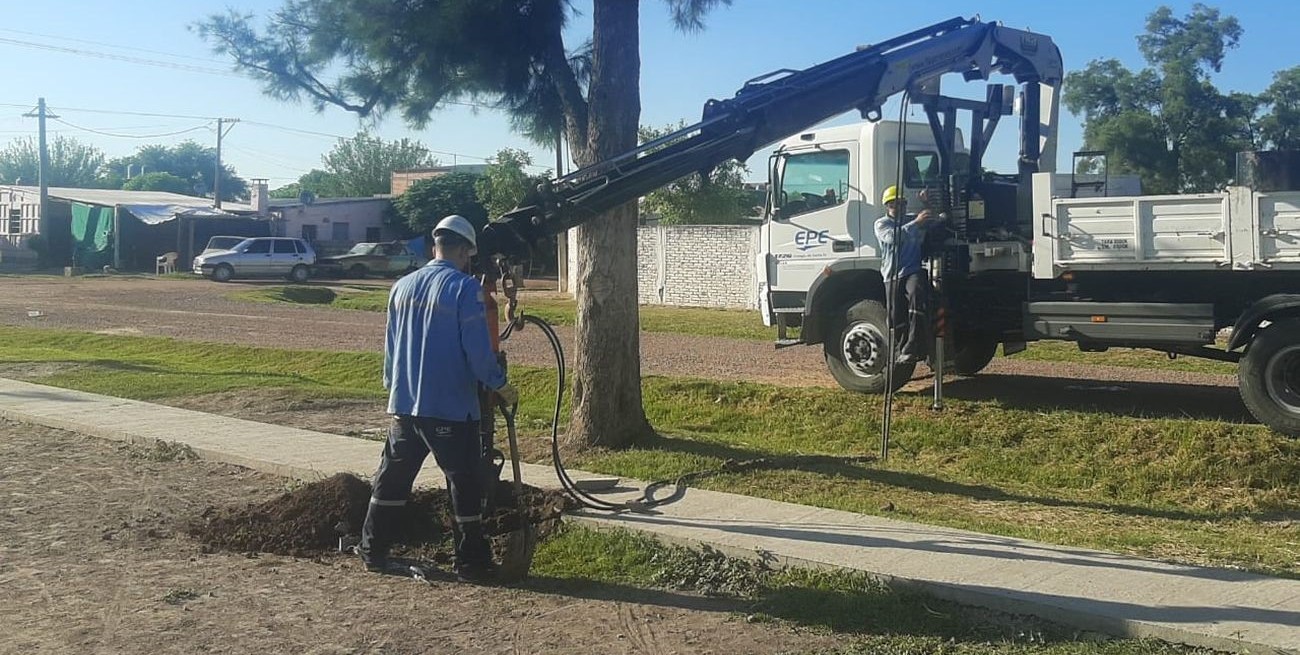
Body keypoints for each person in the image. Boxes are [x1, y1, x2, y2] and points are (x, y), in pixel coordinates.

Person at [359, 214, 520, 583]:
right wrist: (499, 384)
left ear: (435, 246)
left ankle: (373, 550)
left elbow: (390, 349)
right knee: (464, 483)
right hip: (449, 409)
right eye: (469, 255)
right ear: (464, 251)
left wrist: (394, 386)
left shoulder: (401, 287)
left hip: (405, 406)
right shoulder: (464, 289)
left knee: (392, 480)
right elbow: (478, 353)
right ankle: (471, 563)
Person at [874, 185, 939, 365]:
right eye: (894, 204)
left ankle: (913, 346)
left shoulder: (912, 219)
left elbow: (935, 220)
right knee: (896, 315)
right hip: (892, 275)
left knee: (916, 296)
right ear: (887, 206)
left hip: (912, 270)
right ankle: (900, 349)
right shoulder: (881, 224)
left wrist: (926, 203)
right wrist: (916, 223)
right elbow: (892, 238)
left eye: (902, 204)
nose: (899, 207)